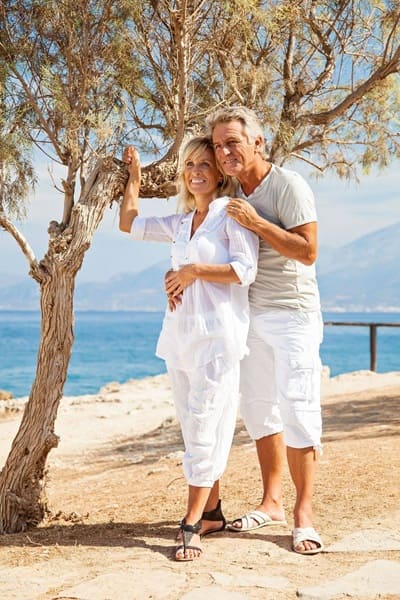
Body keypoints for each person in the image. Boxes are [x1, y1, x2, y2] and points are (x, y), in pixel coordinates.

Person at [120, 136, 258, 561]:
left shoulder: (232, 214)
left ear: (219, 173)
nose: (197, 172)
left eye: (205, 164)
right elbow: (129, 224)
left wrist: (192, 270)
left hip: (217, 338)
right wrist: (134, 178)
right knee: (195, 428)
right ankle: (212, 512)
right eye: (190, 165)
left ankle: (191, 523)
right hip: (180, 338)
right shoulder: (182, 223)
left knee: (202, 428)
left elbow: (245, 270)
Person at [194, 105, 323, 555]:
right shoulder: (228, 189)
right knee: (259, 410)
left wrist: (257, 223)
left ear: (257, 142)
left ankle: (303, 515)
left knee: (298, 409)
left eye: (232, 142)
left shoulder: (288, 186)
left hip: (293, 315)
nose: (224, 152)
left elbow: (308, 251)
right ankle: (272, 503)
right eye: (218, 145)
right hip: (248, 316)